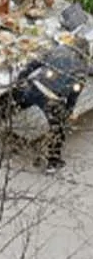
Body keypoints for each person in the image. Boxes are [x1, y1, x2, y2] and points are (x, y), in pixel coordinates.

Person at [12, 35, 89, 170]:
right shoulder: (82, 69)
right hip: (51, 99)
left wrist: (22, 77)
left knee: (19, 102)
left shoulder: (57, 49)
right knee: (59, 129)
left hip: (34, 87)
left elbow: (34, 63)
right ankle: (53, 161)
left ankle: (6, 121)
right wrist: (69, 111)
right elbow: (74, 94)